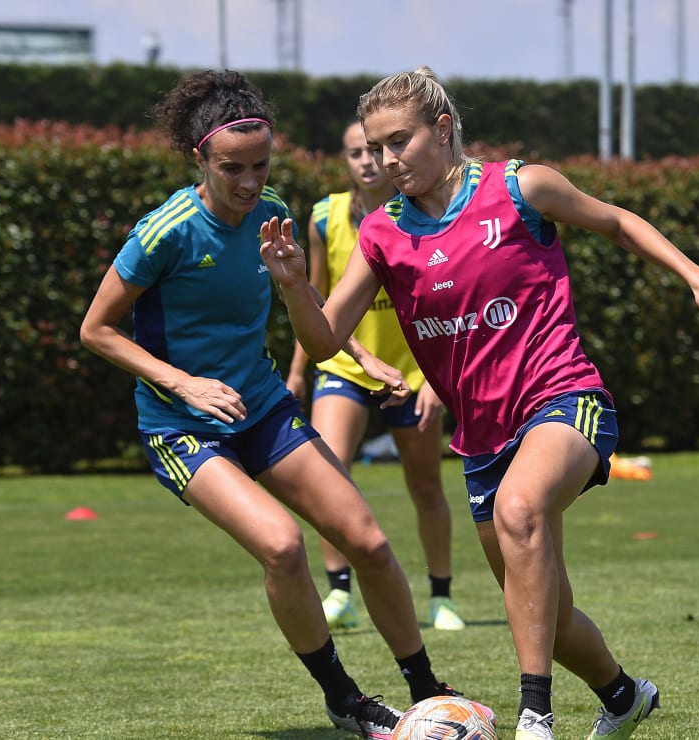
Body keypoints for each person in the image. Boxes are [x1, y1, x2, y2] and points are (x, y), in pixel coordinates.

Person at [261, 67, 699, 740]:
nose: (384, 160)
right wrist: (294, 288)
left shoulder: (520, 187)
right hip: (482, 438)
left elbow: (614, 221)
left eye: (398, 141)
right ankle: (622, 696)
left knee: (519, 508)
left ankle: (535, 718)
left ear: (443, 130)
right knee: (546, 619)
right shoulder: (382, 235)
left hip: (565, 398)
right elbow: (323, 343)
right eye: (375, 148)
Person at [79, 69, 481, 739]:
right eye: (231, 167)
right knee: (284, 547)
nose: (247, 181)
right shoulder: (165, 232)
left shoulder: (273, 216)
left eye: (259, 165)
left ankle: (424, 690)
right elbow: (96, 330)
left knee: (371, 543)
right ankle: (344, 697)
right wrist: (182, 384)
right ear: (199, 158)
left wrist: (369, 359)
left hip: (261, 408)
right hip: (183, 428)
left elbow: (314, 312)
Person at [286, 117, 465, 633]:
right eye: (356, 153)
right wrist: (299, 370)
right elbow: (311, 299)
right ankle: (339, 591)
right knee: (329, 471)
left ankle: (441, 596)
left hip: (412, 372)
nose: (368, 161)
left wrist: (437, 377)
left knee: (426, 486)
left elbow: (450, 298)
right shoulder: (325, 217)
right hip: (345, 364)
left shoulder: (421, 216)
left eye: (375, 149)